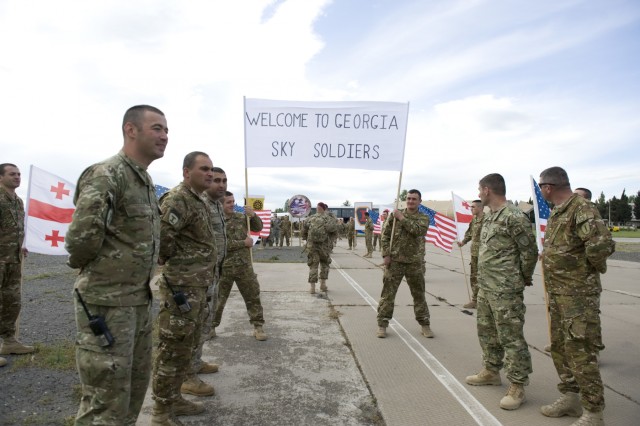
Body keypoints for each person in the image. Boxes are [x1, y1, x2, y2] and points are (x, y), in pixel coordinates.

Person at [64, 105, 167, 425]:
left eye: (166, 131)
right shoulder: (108, 173)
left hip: (137, 302)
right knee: (105, 400)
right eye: (157, 128)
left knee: (133, 392)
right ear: (130, 130)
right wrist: (100, 274)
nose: (164, 136)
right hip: (106, 304)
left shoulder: (144, 180)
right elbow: (80, 239)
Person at [538, 167, 614, 426]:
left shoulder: (581, 207)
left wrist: (586, 273)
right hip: (559, 295)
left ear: (548, 187)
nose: (541, 191)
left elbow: (601, 244)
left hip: (578, 296)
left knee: (581, 351)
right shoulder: (559, 211)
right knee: (560, 348)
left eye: (541, 187)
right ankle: (570, 398)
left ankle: (593, 412)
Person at [152, 151, 217, 424]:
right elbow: (162, 238)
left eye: (211, 170)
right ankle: (161, 413)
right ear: (186, 172)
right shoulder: (178, 198)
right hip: (181, 286)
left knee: (186, 346)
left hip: (197, 286)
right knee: (173, 348)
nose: (210, 174)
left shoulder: (197, 200)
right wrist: (174, 267)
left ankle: (174, 398)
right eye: (204, 169)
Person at [465, 173, 538, 411]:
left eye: (479, 190)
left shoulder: (514, 217)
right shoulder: (489, 217)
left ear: (487, 190)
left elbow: (529, 253)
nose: (477, 195)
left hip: (506, 289)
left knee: (511, 337)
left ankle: (518, 385)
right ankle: (491, 370)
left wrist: (521, 279)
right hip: (486, 287)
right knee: (486, 331)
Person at [376, 190, 433, 339]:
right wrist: (386, 254)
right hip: (395, 262)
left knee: (419, 295)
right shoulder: (393, 216)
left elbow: (418, 231)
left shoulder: (423, 217)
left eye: (414, 199)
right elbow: (385, 235)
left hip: (415, 262)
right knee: (387, 295)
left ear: (420, 201)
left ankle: (424, 324)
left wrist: (401, 218)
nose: (410, 201)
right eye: (408, 198)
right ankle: (382, 324)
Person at [189, 167, 228, 380]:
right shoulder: (201, 203)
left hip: (214, 272)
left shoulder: (217, 205)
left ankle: (196, 361)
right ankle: (188, 375)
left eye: (224, 181)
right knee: (195, 324)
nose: (221, 185)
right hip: (199, 275)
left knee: (206, 320)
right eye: (216, 180)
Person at [212, 191, 267, 340]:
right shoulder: (215, 221)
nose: (232, 205)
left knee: (253, 296)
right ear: (220, 204)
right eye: (228, 202)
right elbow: (218, 244)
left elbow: (258, 227)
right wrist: (243, 243)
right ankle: (211, 327)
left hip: (244, 266)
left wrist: (253, 215)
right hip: (224, 267)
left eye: (233, 201)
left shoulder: (240, 218)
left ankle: (258, 327)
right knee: (218, 300)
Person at [1, 163, 35, 368]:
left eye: (19, 174)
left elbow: (15, 228)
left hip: (12, 259)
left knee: (12, 301)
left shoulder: (17, 201)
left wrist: (20, 246)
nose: (17, 177)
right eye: (12, 174)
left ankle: (9, 341)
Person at [302, 202, 338, 294]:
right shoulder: (329, 219)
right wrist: (331, 241)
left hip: (312, 246)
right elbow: (334, 232)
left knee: (313, 265)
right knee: (325, 264)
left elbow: (304, 231)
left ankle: (312, 288)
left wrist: (306, 240)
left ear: (317, 208)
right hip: (324, 246)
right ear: (324, 209)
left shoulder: (310, 218)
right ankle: (323, 284)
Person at [457, 200, 485, 309]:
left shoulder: (487, 220)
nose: (471, 209)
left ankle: (486, 301)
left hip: (485, 254)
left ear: (480, 207)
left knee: (485, 278)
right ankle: (475, 300)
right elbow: (469, 234)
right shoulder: (474, 220)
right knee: (474, 277)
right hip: (475, 254)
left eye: (473, 207)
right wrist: (463, 242)